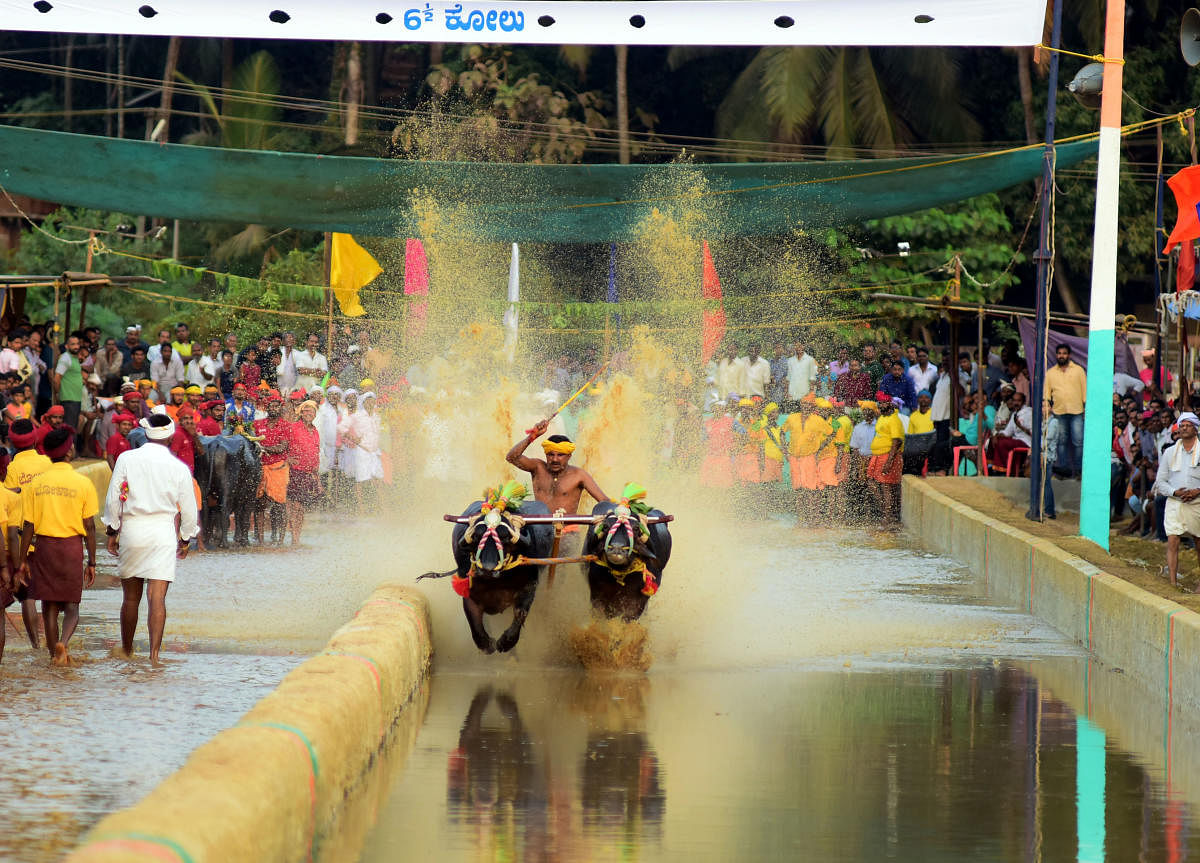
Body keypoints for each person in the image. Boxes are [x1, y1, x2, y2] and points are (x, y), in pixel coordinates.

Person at [102, 413, 198, 664]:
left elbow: (113, 498)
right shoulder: (178, 467)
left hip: (132, 530)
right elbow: (189, 508)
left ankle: (127, 650)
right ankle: (155, 656)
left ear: (145, 433)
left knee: (130, 598)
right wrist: (186, 538)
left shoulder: (126, 458)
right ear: (171, 436)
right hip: (162, 533)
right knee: (157, 598)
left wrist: (112, 531)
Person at [16, 428, 98, 666]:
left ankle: (54, 656)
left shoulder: (36, 484)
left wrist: (22, 560)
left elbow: (28, 525)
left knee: (49, 605)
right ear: (70, 451)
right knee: (72, 606)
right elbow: (90, 527)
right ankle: (64, 642)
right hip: (72, 549)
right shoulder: (82, 483)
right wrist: (92, 561)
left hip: (45, 547)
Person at [506, 423, 608, 514]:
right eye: (550, 454)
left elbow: (604, 500)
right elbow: (511, 457)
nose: (555, 459)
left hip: (568, 532)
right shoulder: (537, 467)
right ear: (545, 454)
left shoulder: (579, 475)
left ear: (569, 456)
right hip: (539, 530)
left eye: (560, 455)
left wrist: (619, 510)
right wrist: (533, 436)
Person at [1155, 412, 1200, 590]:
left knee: (1198, 541)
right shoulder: (1170, 452)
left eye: (1188, 425)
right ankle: (1173, 582)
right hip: (1175, 501)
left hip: (1197, 502)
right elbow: (1161, 481)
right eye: (1181, 425)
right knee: (1173, 539)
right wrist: (1175, 492)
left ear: (1195, 429)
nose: (1183, 428)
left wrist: (1197, 491)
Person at [1044, 343, 1087, 478]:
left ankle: (1080, 471)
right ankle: (1063, 471)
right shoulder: (1050, 373)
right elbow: (1046, 394)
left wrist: (1086, 408)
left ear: (1069, 355)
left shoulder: (1078, 370)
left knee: (1078, 442)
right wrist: (1047, 405)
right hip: (1058, 411)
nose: (1061, 355)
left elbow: (1085, 390)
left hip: (1077, 410)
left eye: (1064, 353)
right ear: (1056, 355)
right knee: (1061, 442)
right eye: (1059, 353)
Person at [286, 400, 321, 545]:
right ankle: (291, 538)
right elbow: (284, 444)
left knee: (301, 508)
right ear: (301, 412)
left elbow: (316, 453)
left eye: (312, 411)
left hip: (308, 473)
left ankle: (296, 538)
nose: (309, 413)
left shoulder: (315, 431)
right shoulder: (293, 427)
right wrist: (287, 458)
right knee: (293, 506)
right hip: (294, 471)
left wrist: (317, 479)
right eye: (306, 410)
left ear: (315, 415)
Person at [867, 395, 905, 525]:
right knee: (871, 481)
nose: (880, 405)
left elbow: (897, 441)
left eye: (883, 403)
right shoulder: (882, 417)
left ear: (890, 404)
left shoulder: (894, 420)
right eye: (879, 403)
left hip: (888, 455)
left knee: (887, 487)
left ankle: (888, 516)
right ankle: (885, 510)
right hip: (877, 456)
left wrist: (889, 461)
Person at [53, 333, 85, 430]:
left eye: (77, 344)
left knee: (73, 428)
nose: (76, 346)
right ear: (67, 346)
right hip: (68, 399)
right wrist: (58, 393)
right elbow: (57, 378)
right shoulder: (65, 358)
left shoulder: (74, 358)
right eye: (73, 344)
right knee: (68, 429)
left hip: (75, 399)